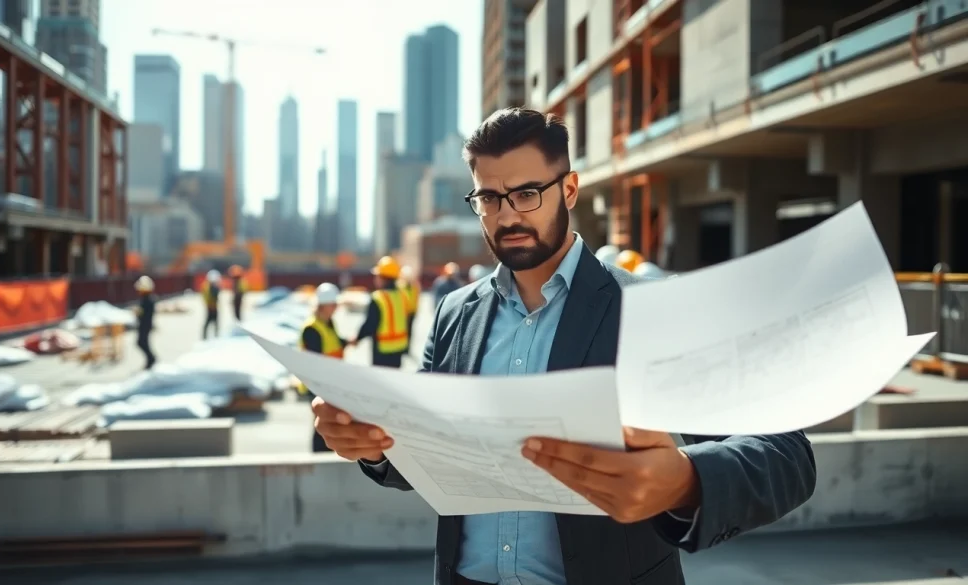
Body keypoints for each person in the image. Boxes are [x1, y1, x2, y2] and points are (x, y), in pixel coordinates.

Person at [312, 107, 816, 585]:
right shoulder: (454, 313)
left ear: (569, 189)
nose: (507, 215)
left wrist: (685, 479)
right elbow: (427, 451)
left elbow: (786, 452)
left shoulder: (653, 308)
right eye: (488, 198)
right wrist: (373, 444)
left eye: (527, 192)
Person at [298, 282, 346, 451]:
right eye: (333, 305)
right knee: (321, 424)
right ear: (323, 306)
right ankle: (318, 456)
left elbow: (334, 342)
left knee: (329, 423)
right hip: (318, 384)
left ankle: (326, 451)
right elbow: (315, 362)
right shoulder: (311, 329)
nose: (336, 308)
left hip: (331, 382)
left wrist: (348, 341)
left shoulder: (328, 323)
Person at [351, 256, 409, 368]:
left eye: (377, 276)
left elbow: (370, 324)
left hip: (382, 351)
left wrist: (357, 338)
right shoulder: (402, 296)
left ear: (383, 278)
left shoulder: (378, 298)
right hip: (399, 349)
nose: (375, 279)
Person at [133, 275, 157, 370]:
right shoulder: (147, 298)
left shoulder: (148, 300)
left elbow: (144, 313)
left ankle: (151, 359)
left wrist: (138, 313)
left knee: (142, 342)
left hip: (145, 325)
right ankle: (150, 359)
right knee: (143, 343)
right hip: (144, 324)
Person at [398, 265, 421, 348]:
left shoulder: (415, 286)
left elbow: (417, 298)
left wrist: (416, 309)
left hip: (412, 312)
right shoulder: (400, 286)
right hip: (403, 313)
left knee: (410, 330)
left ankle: (408, 346)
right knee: (402, 330)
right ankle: (402, 346)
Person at [200, 269, 221, 339]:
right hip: (211, 307)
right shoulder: (210, 287)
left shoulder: (207, 286)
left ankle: (212, 336)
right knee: (209, 322)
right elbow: (211, 296)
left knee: (214, 323)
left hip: (212, 307)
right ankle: (206, 337)